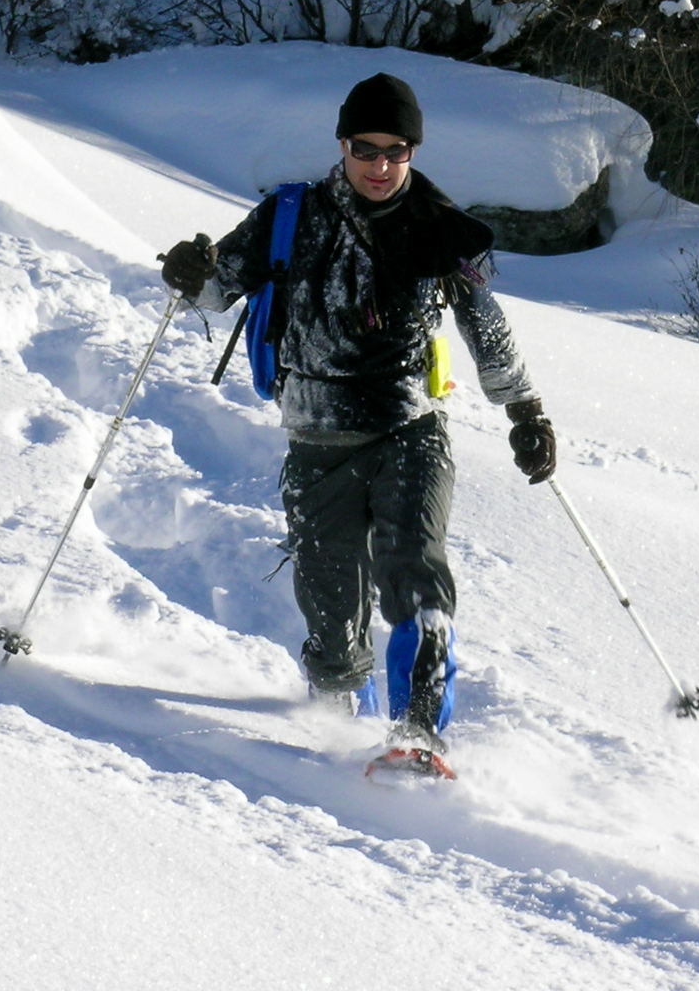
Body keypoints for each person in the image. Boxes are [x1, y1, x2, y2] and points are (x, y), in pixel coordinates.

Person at [158, 73, 556, 752]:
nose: (380, 165)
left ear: (413, 151)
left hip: (410, 428)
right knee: (334, 615)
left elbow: (484, 323)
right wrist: (190, 273)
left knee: (416, 570)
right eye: (365, 149)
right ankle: (337, 728)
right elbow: (218, 288)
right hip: (317, 438)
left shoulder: (437, 227)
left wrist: (525, 410)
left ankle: (418, 733)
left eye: (396, 150)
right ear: (341, 145)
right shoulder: (291, 217)